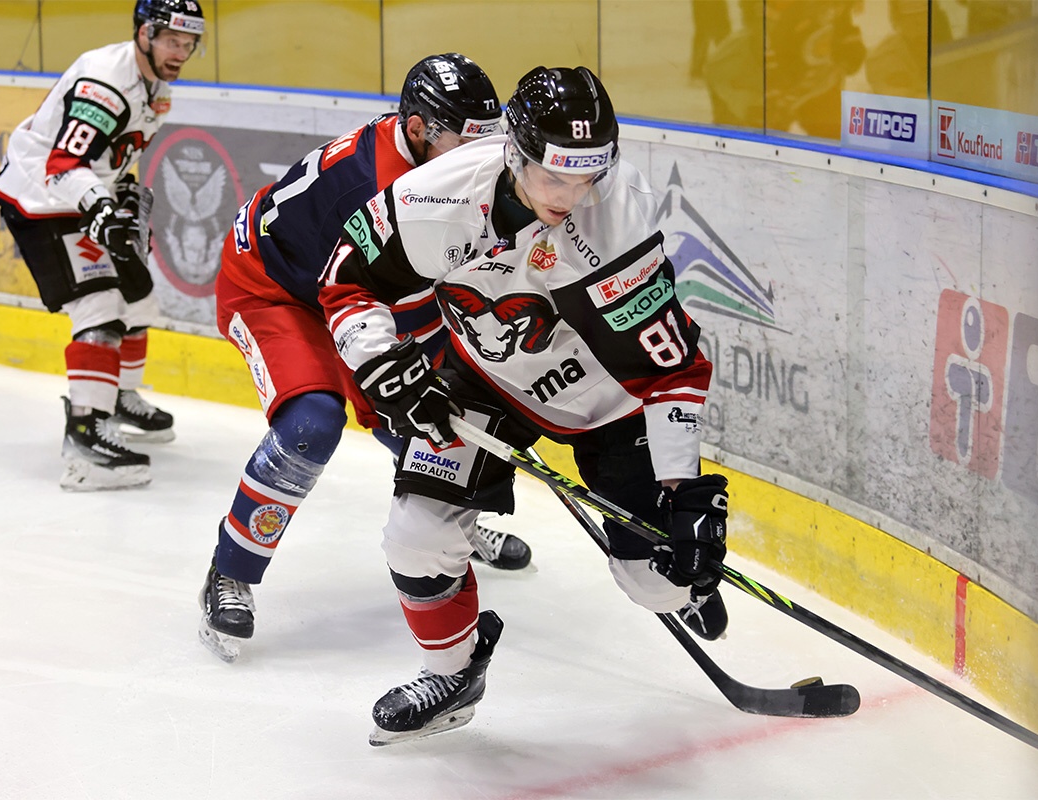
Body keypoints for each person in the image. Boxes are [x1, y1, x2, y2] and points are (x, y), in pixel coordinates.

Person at [319, 65, 732, 746]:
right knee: (416, 537)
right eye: (556, 176)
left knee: (653, 583)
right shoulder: (436, 195)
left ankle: (683, 590)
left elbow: (673, 371)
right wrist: (379, 361)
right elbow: (345, 279)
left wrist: (682, 490)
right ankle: (452, 676)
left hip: (610, 402)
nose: (573, 195)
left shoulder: (619, 218)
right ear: (514, 152)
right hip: (485, 382)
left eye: (589, 175)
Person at [197, 54, 533, 664]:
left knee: (430, 420)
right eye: (467, 141)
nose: (483, 156)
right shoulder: (376, 186)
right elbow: (379, 295)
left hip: (353, 293)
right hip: (274, 290)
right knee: (312, 423)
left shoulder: (436, 159)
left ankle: (448, 527)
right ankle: (231, 570)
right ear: (418, 128)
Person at [0, 0, 201, 491]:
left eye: (189, 43)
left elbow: (107, 155)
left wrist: (119, 192)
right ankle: (85, 437)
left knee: (138, 295)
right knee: (101, 307)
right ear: (145, 34)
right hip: (43, 199)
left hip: (83, 195)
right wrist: (102, 208)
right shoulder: (106, 85)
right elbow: (63, 165)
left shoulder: (155, 85)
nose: (181, 52)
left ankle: (119, 398)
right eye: (172, 41)